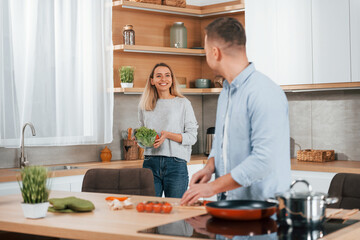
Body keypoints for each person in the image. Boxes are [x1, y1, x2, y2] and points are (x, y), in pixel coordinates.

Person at [181, 17, 291, 205]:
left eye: (206, 51)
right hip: (230, 206)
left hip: (264, 212)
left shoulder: (263, 92)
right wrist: (210, 167)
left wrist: (212, 187)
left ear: (215, 53)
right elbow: (222, 142)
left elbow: (264, 161)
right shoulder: (226, 92)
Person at [138, 62, 198, 198]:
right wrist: (142, 141)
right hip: (150, 162)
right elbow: (142, 133)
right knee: (150, 211)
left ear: (172, 80)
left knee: (176, 212)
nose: (163, 79)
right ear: (152, 81)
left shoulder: (183, 104)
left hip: (176, 164)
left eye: (167, 75)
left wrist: (167, 135)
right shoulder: (144, 105)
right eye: (158, 76)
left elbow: (192, 137)